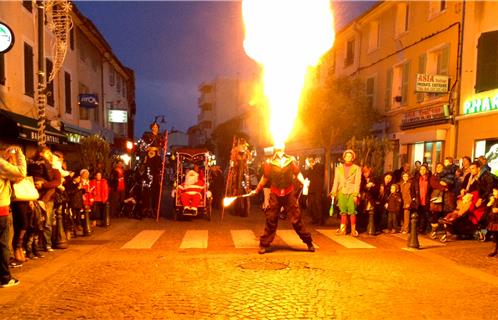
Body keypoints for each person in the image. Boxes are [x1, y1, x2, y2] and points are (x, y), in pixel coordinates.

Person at [251, 146, 314, 254]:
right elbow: (265, 177)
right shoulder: (269, 162)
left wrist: (304, 183)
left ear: (284, 147)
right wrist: (257, 190)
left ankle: (309, 242)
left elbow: (297, 173)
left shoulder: (291, 160)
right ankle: (264, 244)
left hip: (289, 193)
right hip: (275, 193)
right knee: (271, 218)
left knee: (296, 219)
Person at [0, 145, 26, 287]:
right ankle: (4, 278)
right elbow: (21, 173)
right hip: (1, 209)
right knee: (3, 245)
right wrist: (20, 155)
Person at [330, 149, 362, 237]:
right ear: (344, 157)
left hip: (352, 192)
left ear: (352, 158)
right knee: (343, 212)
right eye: (347, 156)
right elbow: (336, 181)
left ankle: (353, 230)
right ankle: (343, 230)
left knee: (352, 212)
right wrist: (333, 191)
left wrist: (356, 194)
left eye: (350, 156)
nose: (348, 157)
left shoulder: (357, 168)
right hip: (342, 191)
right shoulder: (338, 168)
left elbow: (357, 182)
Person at [305, 156, 325, 225]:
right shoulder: (310, 169)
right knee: (311, 204)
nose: (310, 162)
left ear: (314, 160)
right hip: (311, 188)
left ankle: (320, 220)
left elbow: (320, 174)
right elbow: (308, 177)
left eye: (311, 160)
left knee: (318, 204)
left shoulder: (319, 166)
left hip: (318, 188)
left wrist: (313, 166)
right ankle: (314, 219)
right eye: (309, 160)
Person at [412, 165, 432, 234]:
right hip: (418, 199)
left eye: (424, 169)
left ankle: (423, 229)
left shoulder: (429, 178)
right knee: (419, 214)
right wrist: (413, 197)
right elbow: (412, 189)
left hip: (426, 199)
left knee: (425, 215)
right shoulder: (416, 178)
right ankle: (419, 228)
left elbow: (431, 189)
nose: (422, 171)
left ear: (426, 170)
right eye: (421, 169)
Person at [486, 185, 498, 257]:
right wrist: (489, 204)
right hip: (494, 220)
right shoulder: (494, 200)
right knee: (495, 236)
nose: (493, 193)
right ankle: (494, 250)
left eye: (495, 191)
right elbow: (487, 211)